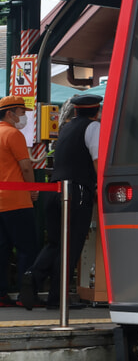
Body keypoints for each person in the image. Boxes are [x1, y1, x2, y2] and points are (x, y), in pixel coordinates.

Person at [25, 93, 100, 308]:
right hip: (76, 191)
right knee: (72, 245)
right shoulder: (93, 128)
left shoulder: (65, 128)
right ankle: (57, 298)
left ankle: (32, 278)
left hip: (54, 189)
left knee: (56, 242)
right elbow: (97, 160)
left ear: (75, 110)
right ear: (97, 111)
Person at [0, 96, 40, 309]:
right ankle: (26, 295)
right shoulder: (12, 134)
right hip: (16, 201)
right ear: (9, 113)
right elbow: (25, 167)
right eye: (21, 111)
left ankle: (1, 294)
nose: (23, 116)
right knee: (27, 248)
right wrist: (33, 189)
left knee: (3, 249)